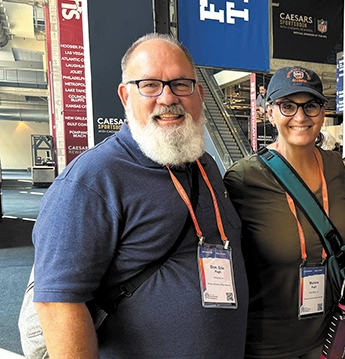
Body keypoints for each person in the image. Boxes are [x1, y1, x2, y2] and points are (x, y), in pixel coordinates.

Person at [31, 33, 248, 358]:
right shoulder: (93, 180)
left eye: (181, 84)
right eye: (150, 85)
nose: (167, 97)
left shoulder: (205, 166)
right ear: (125, 95)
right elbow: (57, 302)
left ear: (200, 93)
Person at [223, 66, 345, 359]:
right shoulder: (243, 179)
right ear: (269, 112)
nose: (300, 116)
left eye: (310, 106)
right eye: (287, 106)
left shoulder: (335, 165)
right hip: (269, 345)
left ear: (323, 111)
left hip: (332, 334)